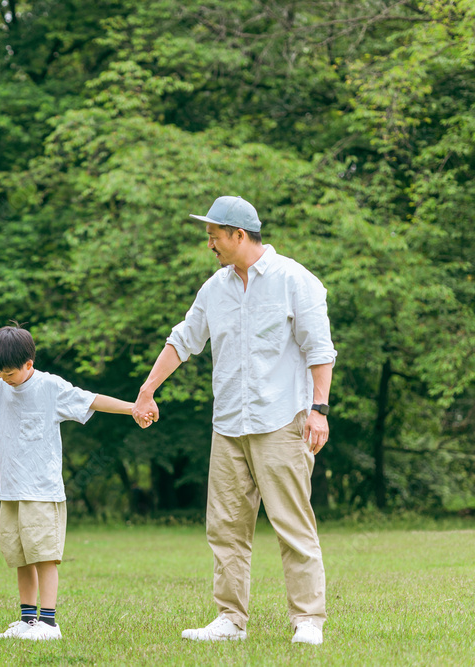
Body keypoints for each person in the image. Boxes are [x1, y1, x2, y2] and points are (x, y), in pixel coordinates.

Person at [131, 196, 336, 646]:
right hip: (228, 425)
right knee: (225, 528)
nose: (210, 244)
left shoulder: (294, 281)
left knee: (293, 524)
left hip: (282, 421)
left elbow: (320, 351)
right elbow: (183, 340)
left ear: (239, 235)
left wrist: (319, 411)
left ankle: (307, 620)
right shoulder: (214, 289)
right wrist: (147, 389)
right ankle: (229, 619)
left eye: (214, 235)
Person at [0, 325, 138, 641]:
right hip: (11, 491)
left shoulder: (50, 387)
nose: (5, 378)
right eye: (0, 373)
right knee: (20, 557)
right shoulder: (1, 387)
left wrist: (133, 408)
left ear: (29, 364)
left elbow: (92, 400)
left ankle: (49, 623)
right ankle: (28, 621)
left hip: (42, 492)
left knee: (44, 556)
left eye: (11, 373)